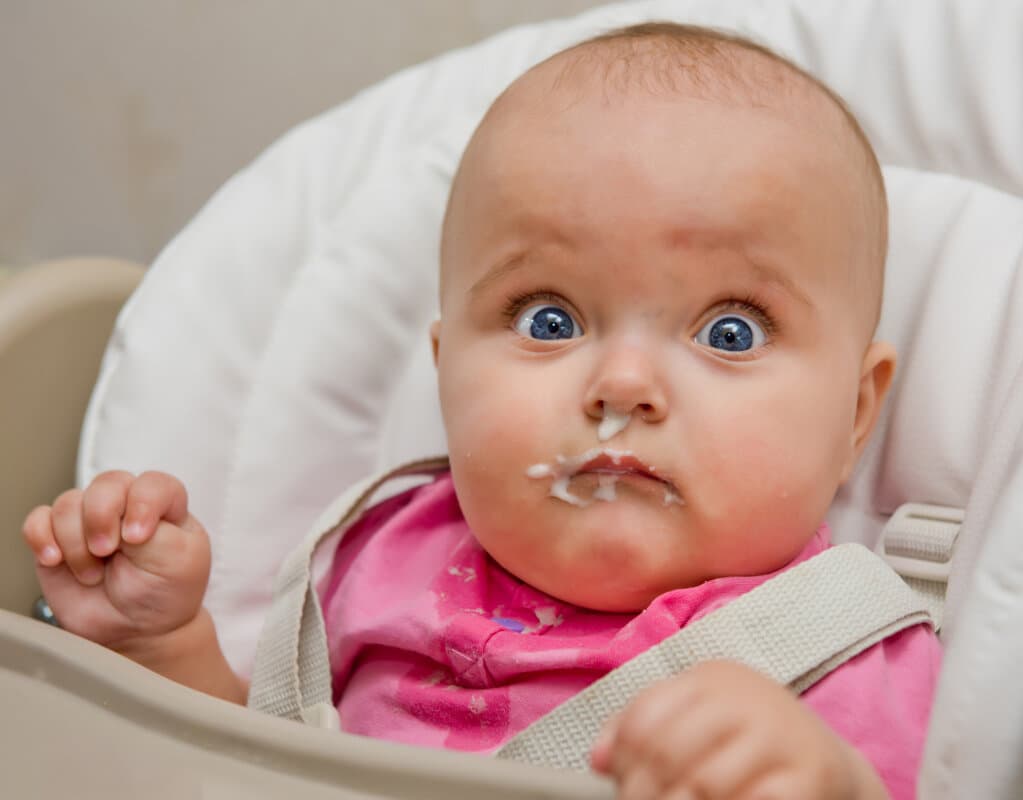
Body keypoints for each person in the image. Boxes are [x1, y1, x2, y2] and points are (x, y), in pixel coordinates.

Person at [22, 22, 940, 800]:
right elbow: (260, 769)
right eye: (550, 319)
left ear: (856, 415)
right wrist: (163, 648)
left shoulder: (840, 651)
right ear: (443, 372)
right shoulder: (382, 554)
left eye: (731, 332)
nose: (621, 385)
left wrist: (819, 779)